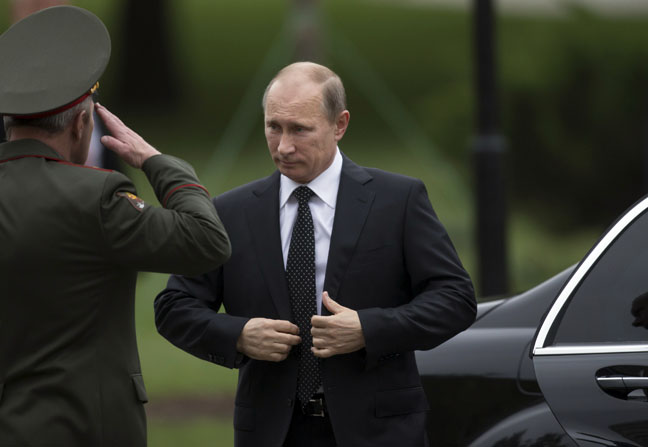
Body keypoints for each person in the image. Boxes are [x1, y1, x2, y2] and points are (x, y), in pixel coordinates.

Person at [154, 61, 476, 447]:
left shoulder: (397, 201)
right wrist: (239, 335)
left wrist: (369, 329)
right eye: (274, 127)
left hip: (378, 431)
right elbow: (173, 307)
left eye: (300, 129)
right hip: (272, 432)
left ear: (339, 125)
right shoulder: (231, 213)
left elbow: (455, 299)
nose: (284, 146)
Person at [0, 6, 231, 446]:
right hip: (86, 428)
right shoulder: (97, 198)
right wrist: (156, 163)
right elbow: (207, 241)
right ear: (82, 124)